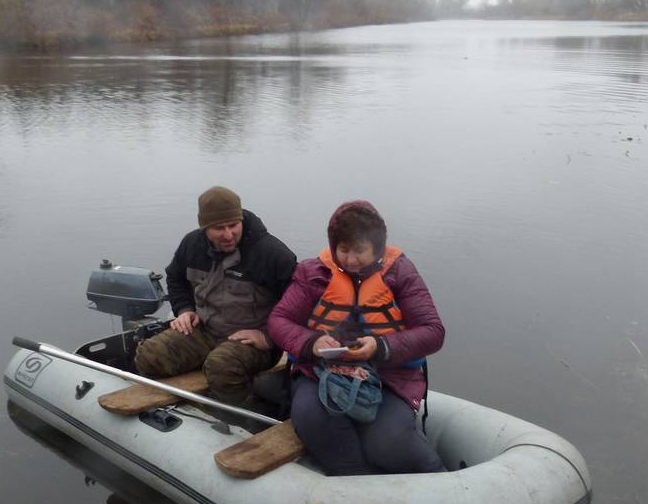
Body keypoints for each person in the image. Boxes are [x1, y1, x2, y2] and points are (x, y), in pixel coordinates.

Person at [267, 201, 446, 476]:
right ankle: (355, 480)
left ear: (377, 248)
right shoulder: (314, 273)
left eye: (359, 251)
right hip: (319, 373)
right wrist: (311, 342)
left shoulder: (401, 273)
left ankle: (439, 481)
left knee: (389, 441)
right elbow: (278, 321)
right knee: (313, 418)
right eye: (344, 250)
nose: (350, 260)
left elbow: (433, 331)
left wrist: (381, 346)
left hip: (388, 376)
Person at [133, 186, 297, 407]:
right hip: (205, 331)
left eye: (233, 225)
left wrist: (268, 337)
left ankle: (245, 415)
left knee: (221, 366)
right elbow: (175, 278)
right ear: (205, 228)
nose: (228, 234)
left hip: (254, 342)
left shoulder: (272, 254)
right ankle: (185, 405)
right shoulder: (191, 245)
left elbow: (298, 305)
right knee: (149, 356)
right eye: (219, 228)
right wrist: (184, 309)